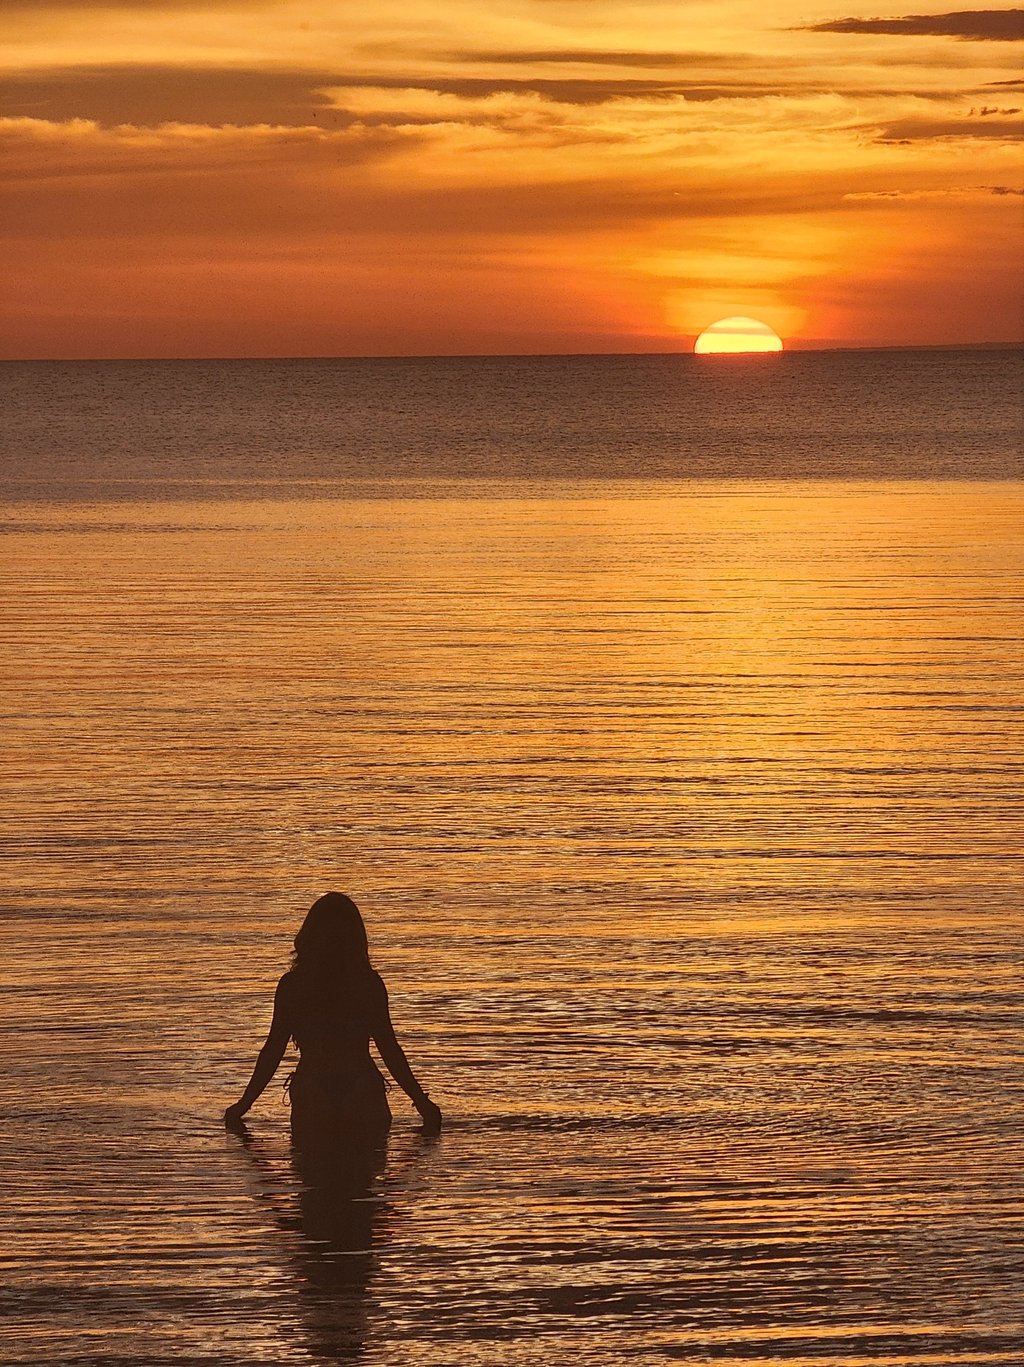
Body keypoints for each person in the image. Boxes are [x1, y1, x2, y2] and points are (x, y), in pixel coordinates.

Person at [224, 892, 442, 1143]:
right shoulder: (368, 985)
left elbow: (273, 1050)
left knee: (311, 1174)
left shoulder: (293, 987)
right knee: (364, 1174)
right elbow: (389, 1049)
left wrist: (243, 1105)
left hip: (313, 1089)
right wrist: (422, 1103)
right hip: (362, 1087)